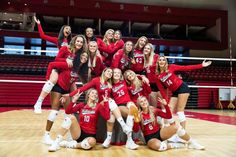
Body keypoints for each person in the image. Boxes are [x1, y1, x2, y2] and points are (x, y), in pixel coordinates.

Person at [69, 68, 132, 140]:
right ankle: (123, 126)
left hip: (107, 104)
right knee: (110, 101)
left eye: (111, 73)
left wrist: (142, 76)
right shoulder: (96, 80)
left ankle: (108, 140)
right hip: (100, 103)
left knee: (111, 119)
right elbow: (84, 88)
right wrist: (70, 95)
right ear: (104, 71)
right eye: (108, 71)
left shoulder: (109, 83)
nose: (110, 73)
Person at [42, 51, 88, 145]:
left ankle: (70, 136)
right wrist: (48, 78)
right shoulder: (70, 63)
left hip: (66, 90)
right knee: (55, 112)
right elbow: (53, 64)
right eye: (82, 55)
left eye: (86, 57)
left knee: (70, 113)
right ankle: (46, 135)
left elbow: (74, 81)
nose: (84, 58)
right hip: (58, 87)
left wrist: (71, 93)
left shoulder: (80, 69)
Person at [34, 35, 87, 114]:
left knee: (74, 88)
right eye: (78, 41)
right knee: (53, 80)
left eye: (81, 42)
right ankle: (39, 102)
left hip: (67, 72)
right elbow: (56, 60)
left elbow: (76, 67)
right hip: (58, 69)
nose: (79, 43)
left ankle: (74, 106)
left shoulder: (80, 54)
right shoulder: (65, 48)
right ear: (74, 41)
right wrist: (66, 60)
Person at [155, 56, 212, 128]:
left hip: (182, 88)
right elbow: (161, 89)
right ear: (158, 62)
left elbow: (186, 67)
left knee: (180, 111)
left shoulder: (171, 67)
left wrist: (201, 65)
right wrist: (165, 100)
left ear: (166, 62)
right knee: (169, 110)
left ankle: (182, 132)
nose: (162, 61)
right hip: (175, 91)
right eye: (160, 60)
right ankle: (172, 128)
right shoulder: (157, 76)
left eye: (163, 60)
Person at [134, 96, 205, 151]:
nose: (144, 102)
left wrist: (166, 106)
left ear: (147, 101)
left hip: (159, 133)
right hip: (150, 138)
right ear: (139, 104)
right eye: (141, 102)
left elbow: (168, 116)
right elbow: (136, 130)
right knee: (160, 147)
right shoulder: (139, 114)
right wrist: (136, 121)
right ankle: (176, 145)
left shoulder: (153, 110)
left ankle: (192, 143)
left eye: (145, 100)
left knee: (177, 127)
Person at [102, 68, 139, 149]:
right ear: (112, 74)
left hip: (128, 102)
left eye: (119, 73)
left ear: (121, 75)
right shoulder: (110, 85)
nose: (117, 74)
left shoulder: (124, 82)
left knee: (133, 107)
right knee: (131, 112)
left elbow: (132, 77)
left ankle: (130, 139)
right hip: (120, 105)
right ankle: (129, 140)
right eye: (115, 72)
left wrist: (142, 76)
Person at [143, 43, 162, 107]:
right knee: (153, 104)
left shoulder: (156, 56)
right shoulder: (144, 59)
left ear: (151, 50)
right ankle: (155, 115)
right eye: (145, 48)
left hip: (159, 82)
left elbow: (162, 67)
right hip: (151, 83)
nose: (146, 49)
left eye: (148, 48)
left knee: (162, 102)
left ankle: (166, 115)